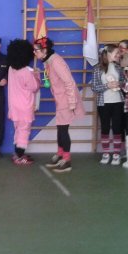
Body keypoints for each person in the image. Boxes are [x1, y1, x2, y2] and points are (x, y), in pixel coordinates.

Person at [33, 36, 85, 173]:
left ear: (45, 50)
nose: (34, 53)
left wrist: (72, 102)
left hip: (66, 100)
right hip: (60, 100)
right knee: (60, 129)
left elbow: (69, 82)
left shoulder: (56, 61)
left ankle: (67, 161)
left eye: (36, 50)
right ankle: (60, 154)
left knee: (63, 130)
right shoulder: (49, 61)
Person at [6, 39, 41, 165]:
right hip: (25, 107)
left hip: (14, 106)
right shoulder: (26, 72)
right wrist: (37, 75)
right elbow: (35, 87)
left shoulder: (11, 69)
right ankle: (19, 157)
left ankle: (17, 154)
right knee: (24, 132)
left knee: (18, 130)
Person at [91, 44, 125, 165]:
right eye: (116, 53)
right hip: (103, 103)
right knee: (105, 128)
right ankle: (105, 153)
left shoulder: (118, 67)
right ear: (109, 54)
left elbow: (123, 82)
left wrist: (119, 84)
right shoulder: (97, 69)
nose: (119, 55)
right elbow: (94, 87)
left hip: (118, 102)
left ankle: (116, 154)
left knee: (117, 128)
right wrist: (107, 85)